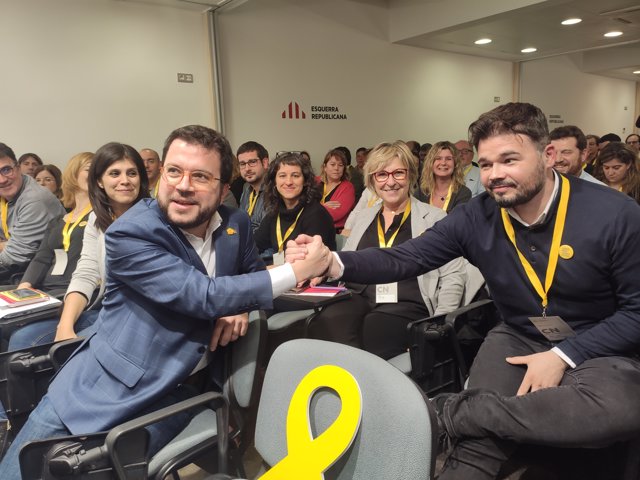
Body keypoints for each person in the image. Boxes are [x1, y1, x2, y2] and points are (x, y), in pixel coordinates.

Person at [288, 102, 640, 480]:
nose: (494, 175)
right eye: (486, 164)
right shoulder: (477, 215)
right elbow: (406, 257)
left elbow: (636, 312)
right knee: (477, 449)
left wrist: (565, 354)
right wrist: (333, 262)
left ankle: (457, 412)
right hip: (519, 336)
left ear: (547, 154)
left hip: (598, 342)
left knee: (622, 407)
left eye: (508, 160)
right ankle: (474, 423)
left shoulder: (615, 214)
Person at [0, 126, 331, 479]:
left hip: (187, 390)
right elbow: (201, 295)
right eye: (174, 171)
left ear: (223, 190)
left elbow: (249, 276)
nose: (183, 185)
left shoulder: (236, 222)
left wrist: (241, 306)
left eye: (200, 176)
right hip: (110, 388)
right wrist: (296, 271)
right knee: (25, 471)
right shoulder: (132, 231)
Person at [309, 141, 466, 358]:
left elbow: (453, 276)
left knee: (376, 328)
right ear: (372, 180)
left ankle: (372, 385)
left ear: (410, 175)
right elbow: (347, 261)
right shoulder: (364, 217)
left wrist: (439, 321)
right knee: (329, 317)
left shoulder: (435, 218)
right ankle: (350, 381)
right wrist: (323, 272)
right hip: (359, 295)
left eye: (398, 173)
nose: (390, 182)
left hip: (406, 302)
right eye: (381, 174)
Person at [7, 144, 149, 350]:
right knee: (22, 337)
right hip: (96, 304)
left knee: (27, 341)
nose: (124, 181)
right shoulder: (96, 219)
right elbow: (86, 273)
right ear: (99, 181)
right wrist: (65, 326)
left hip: (132, 313)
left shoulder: (153, 217)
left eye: (132, 173)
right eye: (115, 174)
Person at [254, 152, 336, 262]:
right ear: (274, 181)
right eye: (282, 176)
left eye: (295, 176)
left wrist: (266, 270)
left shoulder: (317, 215)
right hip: (284, 273)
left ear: (305, 181)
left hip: (312, 275)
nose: (288, 182)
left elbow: (306, 264)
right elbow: (253, 246)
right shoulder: (274, 213)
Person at [0, 144, 65, 282]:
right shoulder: (5, 197)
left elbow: (12, 258)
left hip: (43, 279)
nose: (2, 179)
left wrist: (7, 245)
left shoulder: (36, 199)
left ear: (18, 168)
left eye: (6, 170)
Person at [415, 141, 472, 212]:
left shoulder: (464, 193)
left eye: (448, 159)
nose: (443, 163)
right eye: (438, 158)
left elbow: (458, 222)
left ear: (455, 163)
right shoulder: (421, 192)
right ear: (431, 163)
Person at [318, 148, 355, 232]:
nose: (336, 168)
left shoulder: (348, 187)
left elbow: (336, 214)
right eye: (332, 164)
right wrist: (323, 207)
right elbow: (302, 205)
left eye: (340, 165)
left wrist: (315, 207)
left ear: (344, 169)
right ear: (325, 167)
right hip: (311, 229)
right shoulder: (314, 182)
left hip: (334, 233)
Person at [237, 141, 269, 232]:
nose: (247, 169)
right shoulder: (247, 189)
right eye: (242, 164)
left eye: (252, 162)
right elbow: (241, 221)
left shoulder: (275, 190)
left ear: (265, 163)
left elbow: (265, 232)